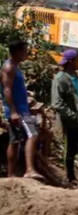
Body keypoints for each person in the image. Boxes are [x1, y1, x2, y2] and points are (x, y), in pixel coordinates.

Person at [51, 49, 78, 185]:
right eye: (77, 60)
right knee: (71, 150)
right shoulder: (60, 79)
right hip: (71, 123)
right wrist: (72, 116)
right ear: (71, 62)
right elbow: (57, 103)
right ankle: (71, 177)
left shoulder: (76, 77)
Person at [2, 40, 41, 179]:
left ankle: (11, 175)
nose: (27, 53)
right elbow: (6, 90)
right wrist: (13, 111)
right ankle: (29, 170)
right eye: (25, 50)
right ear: (17, 51)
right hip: (18, 110)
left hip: (21, 108)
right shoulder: (9, 67)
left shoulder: (15, 67)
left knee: (15, 141)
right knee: (32, 134)